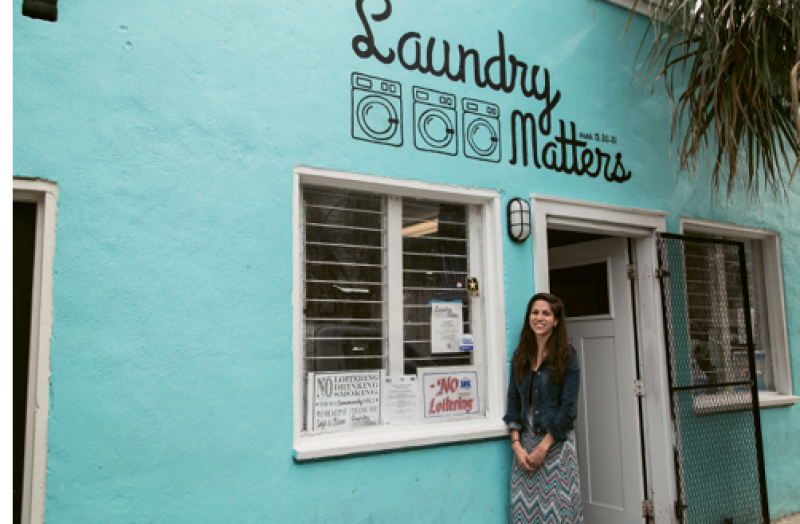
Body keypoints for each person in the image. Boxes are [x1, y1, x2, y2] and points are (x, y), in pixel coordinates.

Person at [504, 293, 583, 523]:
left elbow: (568, 408)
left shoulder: (567, 356)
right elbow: (513, 401)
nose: (540, 318)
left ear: (556, 320)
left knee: (559, 513)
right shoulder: (521, 356)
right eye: (535, 312)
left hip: (556, 446)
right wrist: (517, 445)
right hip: (525, 448)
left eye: (546, 313)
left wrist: (543, 448)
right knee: (523, 513)